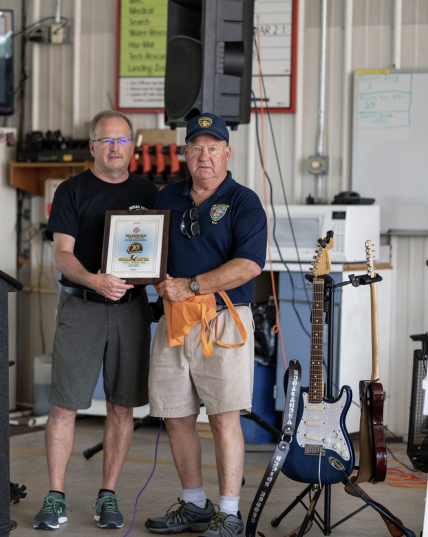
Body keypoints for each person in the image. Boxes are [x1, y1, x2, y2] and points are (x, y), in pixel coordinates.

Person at [34, 110, 158, 531]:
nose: (114, 148)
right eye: (106, 140)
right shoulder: (72, 191)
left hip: (131, 310)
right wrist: (95, 280)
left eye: (122, 141)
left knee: (123, 407)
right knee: (64, 405)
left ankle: (108, 495)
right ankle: (55, 497)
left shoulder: (149, 191)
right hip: (82, 307)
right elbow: (62, 254)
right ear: (92, 146)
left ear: (132, 147)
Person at [145, 113, 267, 537]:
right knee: (176, 415)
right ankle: (195, 505)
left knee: (223, 417)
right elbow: (148, 254)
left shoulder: (243, 201)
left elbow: (249, 265)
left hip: (223, 320)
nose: (205, 156)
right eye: (196, 147)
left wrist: (192, 285)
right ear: (184, 153)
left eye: (213, 147)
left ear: (227, 153)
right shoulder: (167, 197)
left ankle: (229, 513)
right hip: (173, 321)